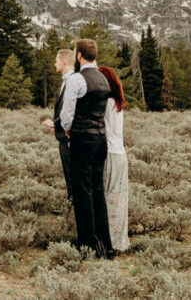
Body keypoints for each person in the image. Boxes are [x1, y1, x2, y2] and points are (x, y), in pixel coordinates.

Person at [60, 38, 114, 258]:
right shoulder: (103, 78)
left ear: (79, 55)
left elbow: (66, 116)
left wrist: (68, 132)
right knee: (98, 191)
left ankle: (87, 246)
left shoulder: (76, 80)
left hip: (82, 139)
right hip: (101, 140)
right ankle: (105, 245)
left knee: (83, 193)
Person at [99, 65, 129, 252]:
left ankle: (110, 242)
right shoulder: (116, 102)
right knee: (118, 199)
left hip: (109, 152)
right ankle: (118, 241)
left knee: (108, 197)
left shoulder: (107, 103)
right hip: (119, 153)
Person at [41, 48, 76, 202]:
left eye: (56, 61)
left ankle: (73, 209)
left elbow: (70, 112)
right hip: (64, 138)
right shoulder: (67, 81)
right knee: (69, 177)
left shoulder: (72, 82)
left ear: (64, 61)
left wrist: (56, 124)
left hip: (69, 140)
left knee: (73, 177)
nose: (54, 64)